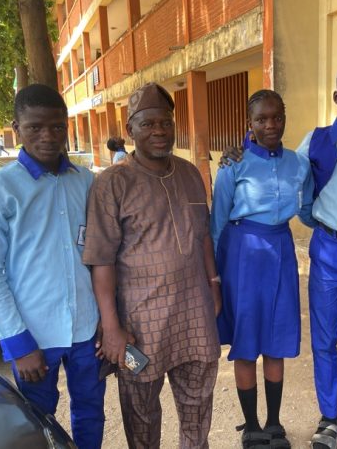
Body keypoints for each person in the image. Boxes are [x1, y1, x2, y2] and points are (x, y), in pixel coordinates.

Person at [221, 64, 337, 449]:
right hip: (329, 251)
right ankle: (328, 419)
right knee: (325, 340)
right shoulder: (315, 143)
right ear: (336, 98)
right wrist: (237, 145)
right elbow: (270, 156)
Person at [82, 82, 222, 449]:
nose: (159, 131)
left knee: (198, 403)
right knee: (141, 411)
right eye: (148, 124)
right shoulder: (112, 184)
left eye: (165, 123)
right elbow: (101, 259)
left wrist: (214, 284)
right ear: (130, 130)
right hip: (141, 326)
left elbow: (203, 236)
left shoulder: (191, 174)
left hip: (194, 317)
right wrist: (111, 327)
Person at [0, 84, 105, 449]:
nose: (48, 136)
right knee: (34, 420)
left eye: (57, 126)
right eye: (35, 127)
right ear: (16, 128)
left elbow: (97, 255)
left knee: (91, 411)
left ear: (66, 126)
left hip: (85, 330)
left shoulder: (86, 182)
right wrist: (17, 343)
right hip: (34, 335)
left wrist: (104, 323)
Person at [211, 90, 313, 448]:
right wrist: (215, 274)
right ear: (249, 124)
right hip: (242, 253)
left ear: (284, 117)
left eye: (277, 117)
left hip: (281, 251)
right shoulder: (232, 165)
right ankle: (251, 425)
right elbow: (218, 220)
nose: (270, 125)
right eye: (261, 119)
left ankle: (273, 423)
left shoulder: (299, 164)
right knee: (246, 339)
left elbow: (310, 208)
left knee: (276, 338)